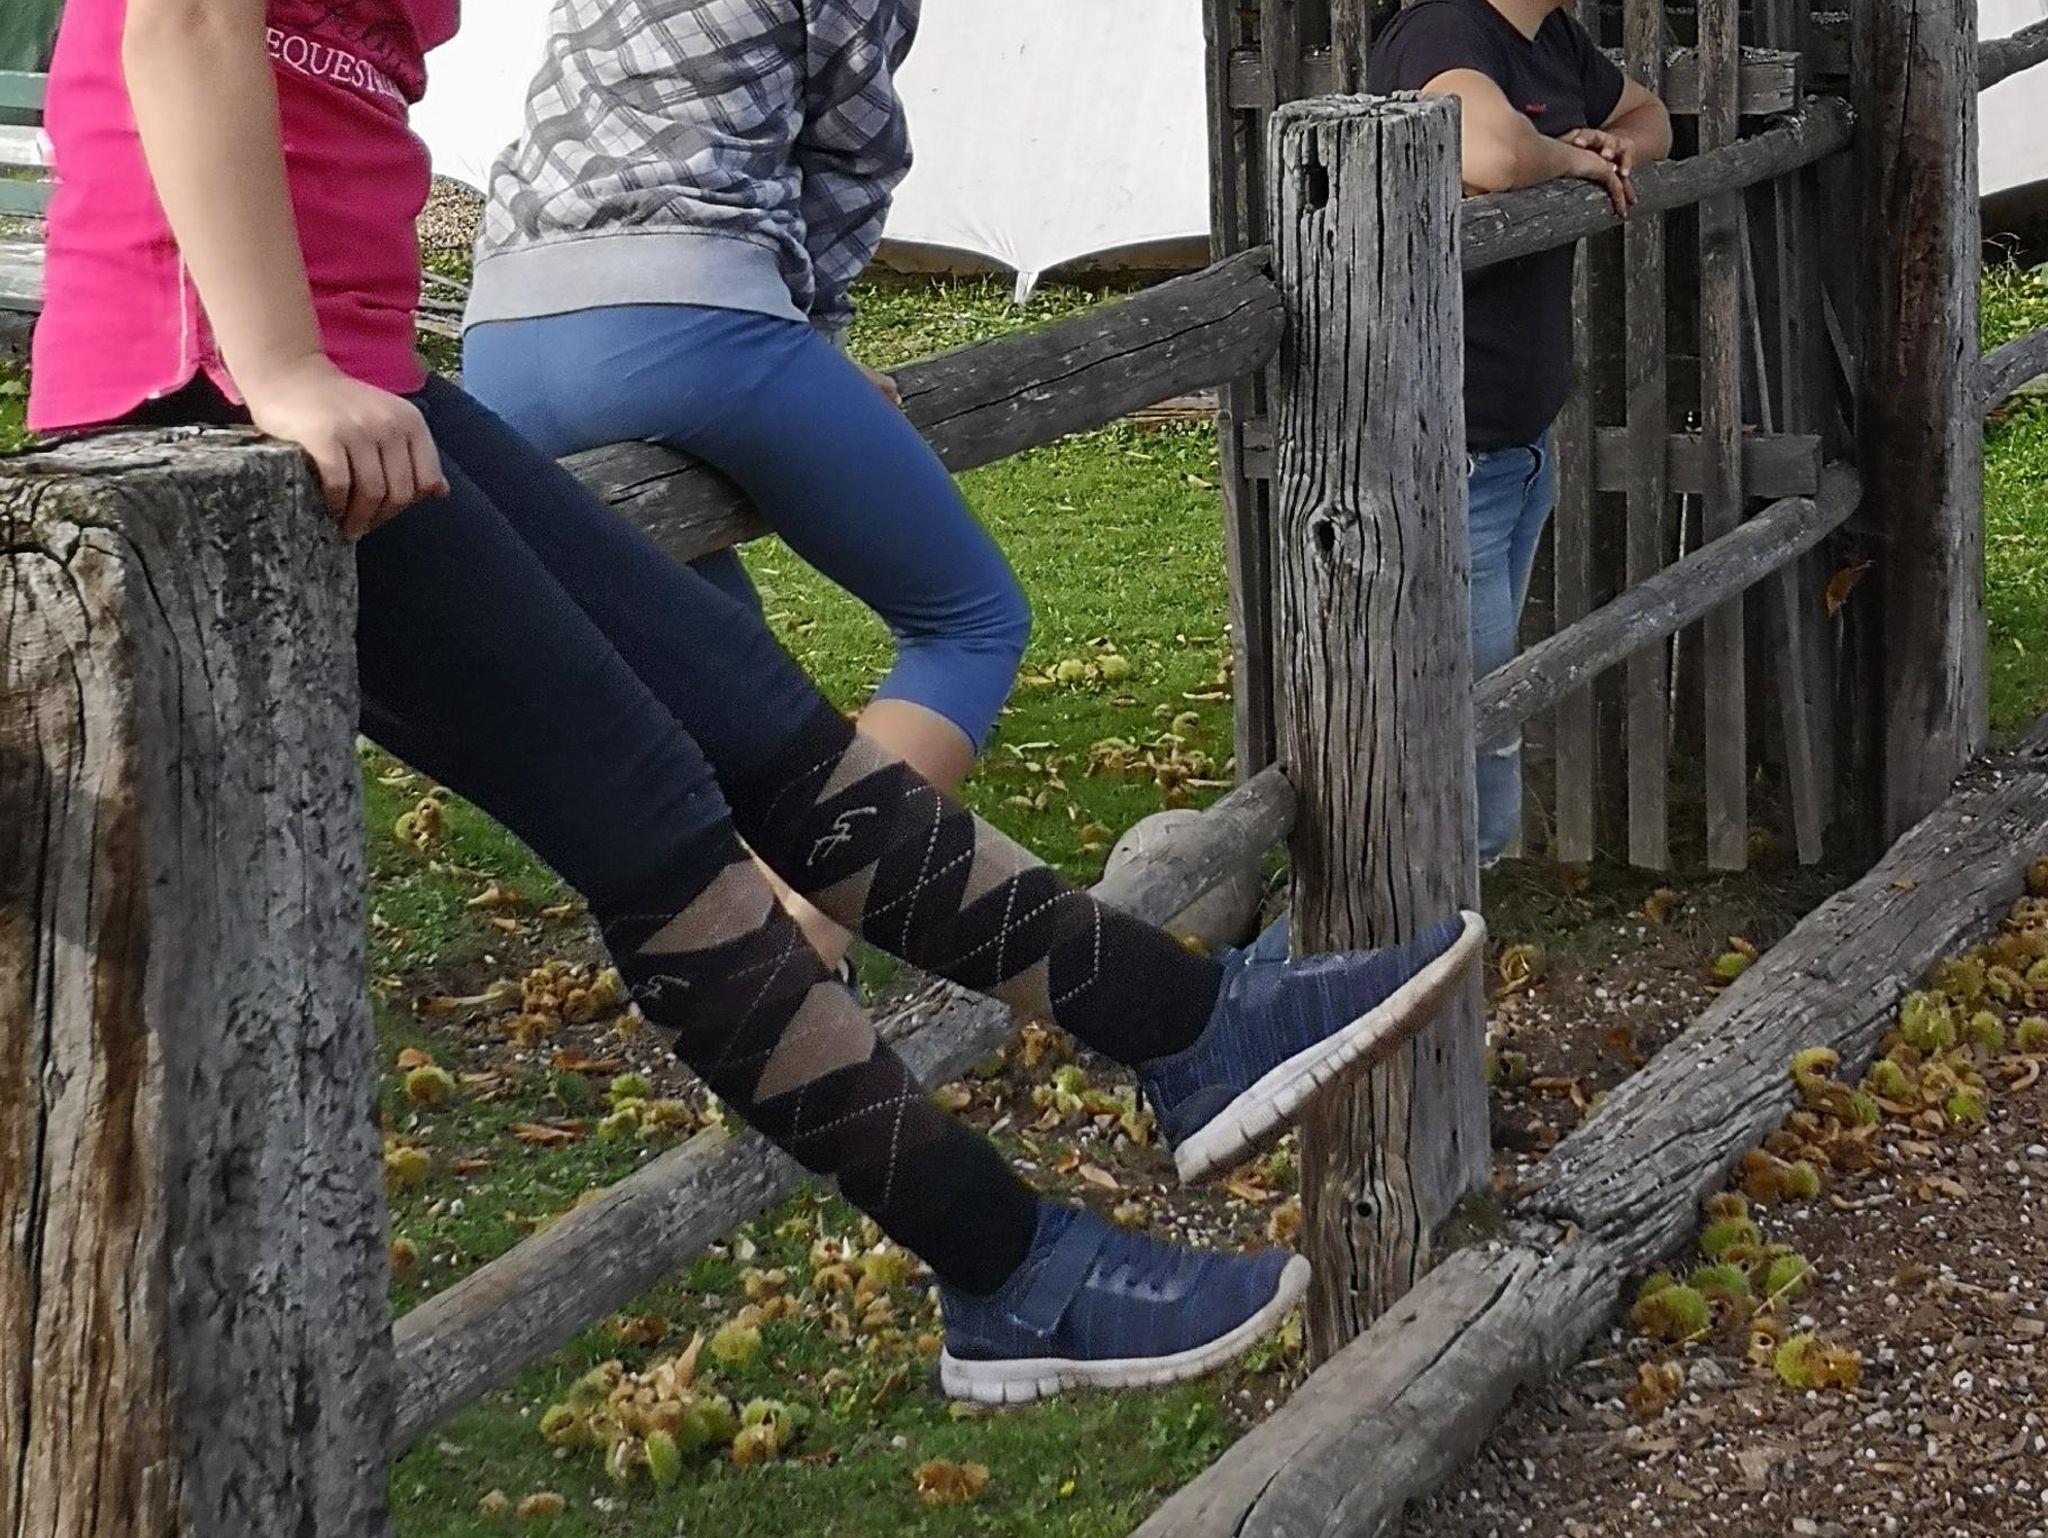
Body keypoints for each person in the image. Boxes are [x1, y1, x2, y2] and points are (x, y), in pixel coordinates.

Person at [29, 0, 1484, 1404]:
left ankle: (1184, 1022)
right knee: (654, 822)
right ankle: (1006, 1265)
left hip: (361, 373)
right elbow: (185, 18)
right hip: (218, 397)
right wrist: (282, 368)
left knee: (762, 727)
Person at [462, 0, 1016, 978]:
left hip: (501, 338)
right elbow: (853, 152)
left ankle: (755, 973)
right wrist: (816, 338)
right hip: (687, 316)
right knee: (970, 623)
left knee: (726, 684)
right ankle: (802, 943)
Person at [1370, 0, 1672, 864]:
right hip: (1445, 460)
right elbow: (1495, 155)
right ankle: (1348, 940)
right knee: (1468, 756)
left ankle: (1416, 929)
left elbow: (1651, 116)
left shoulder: (1554, 39)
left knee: (1474, 722)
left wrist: (1616, 146)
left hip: (1517, 450)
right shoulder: (1445, 32)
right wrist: (1571, 159)